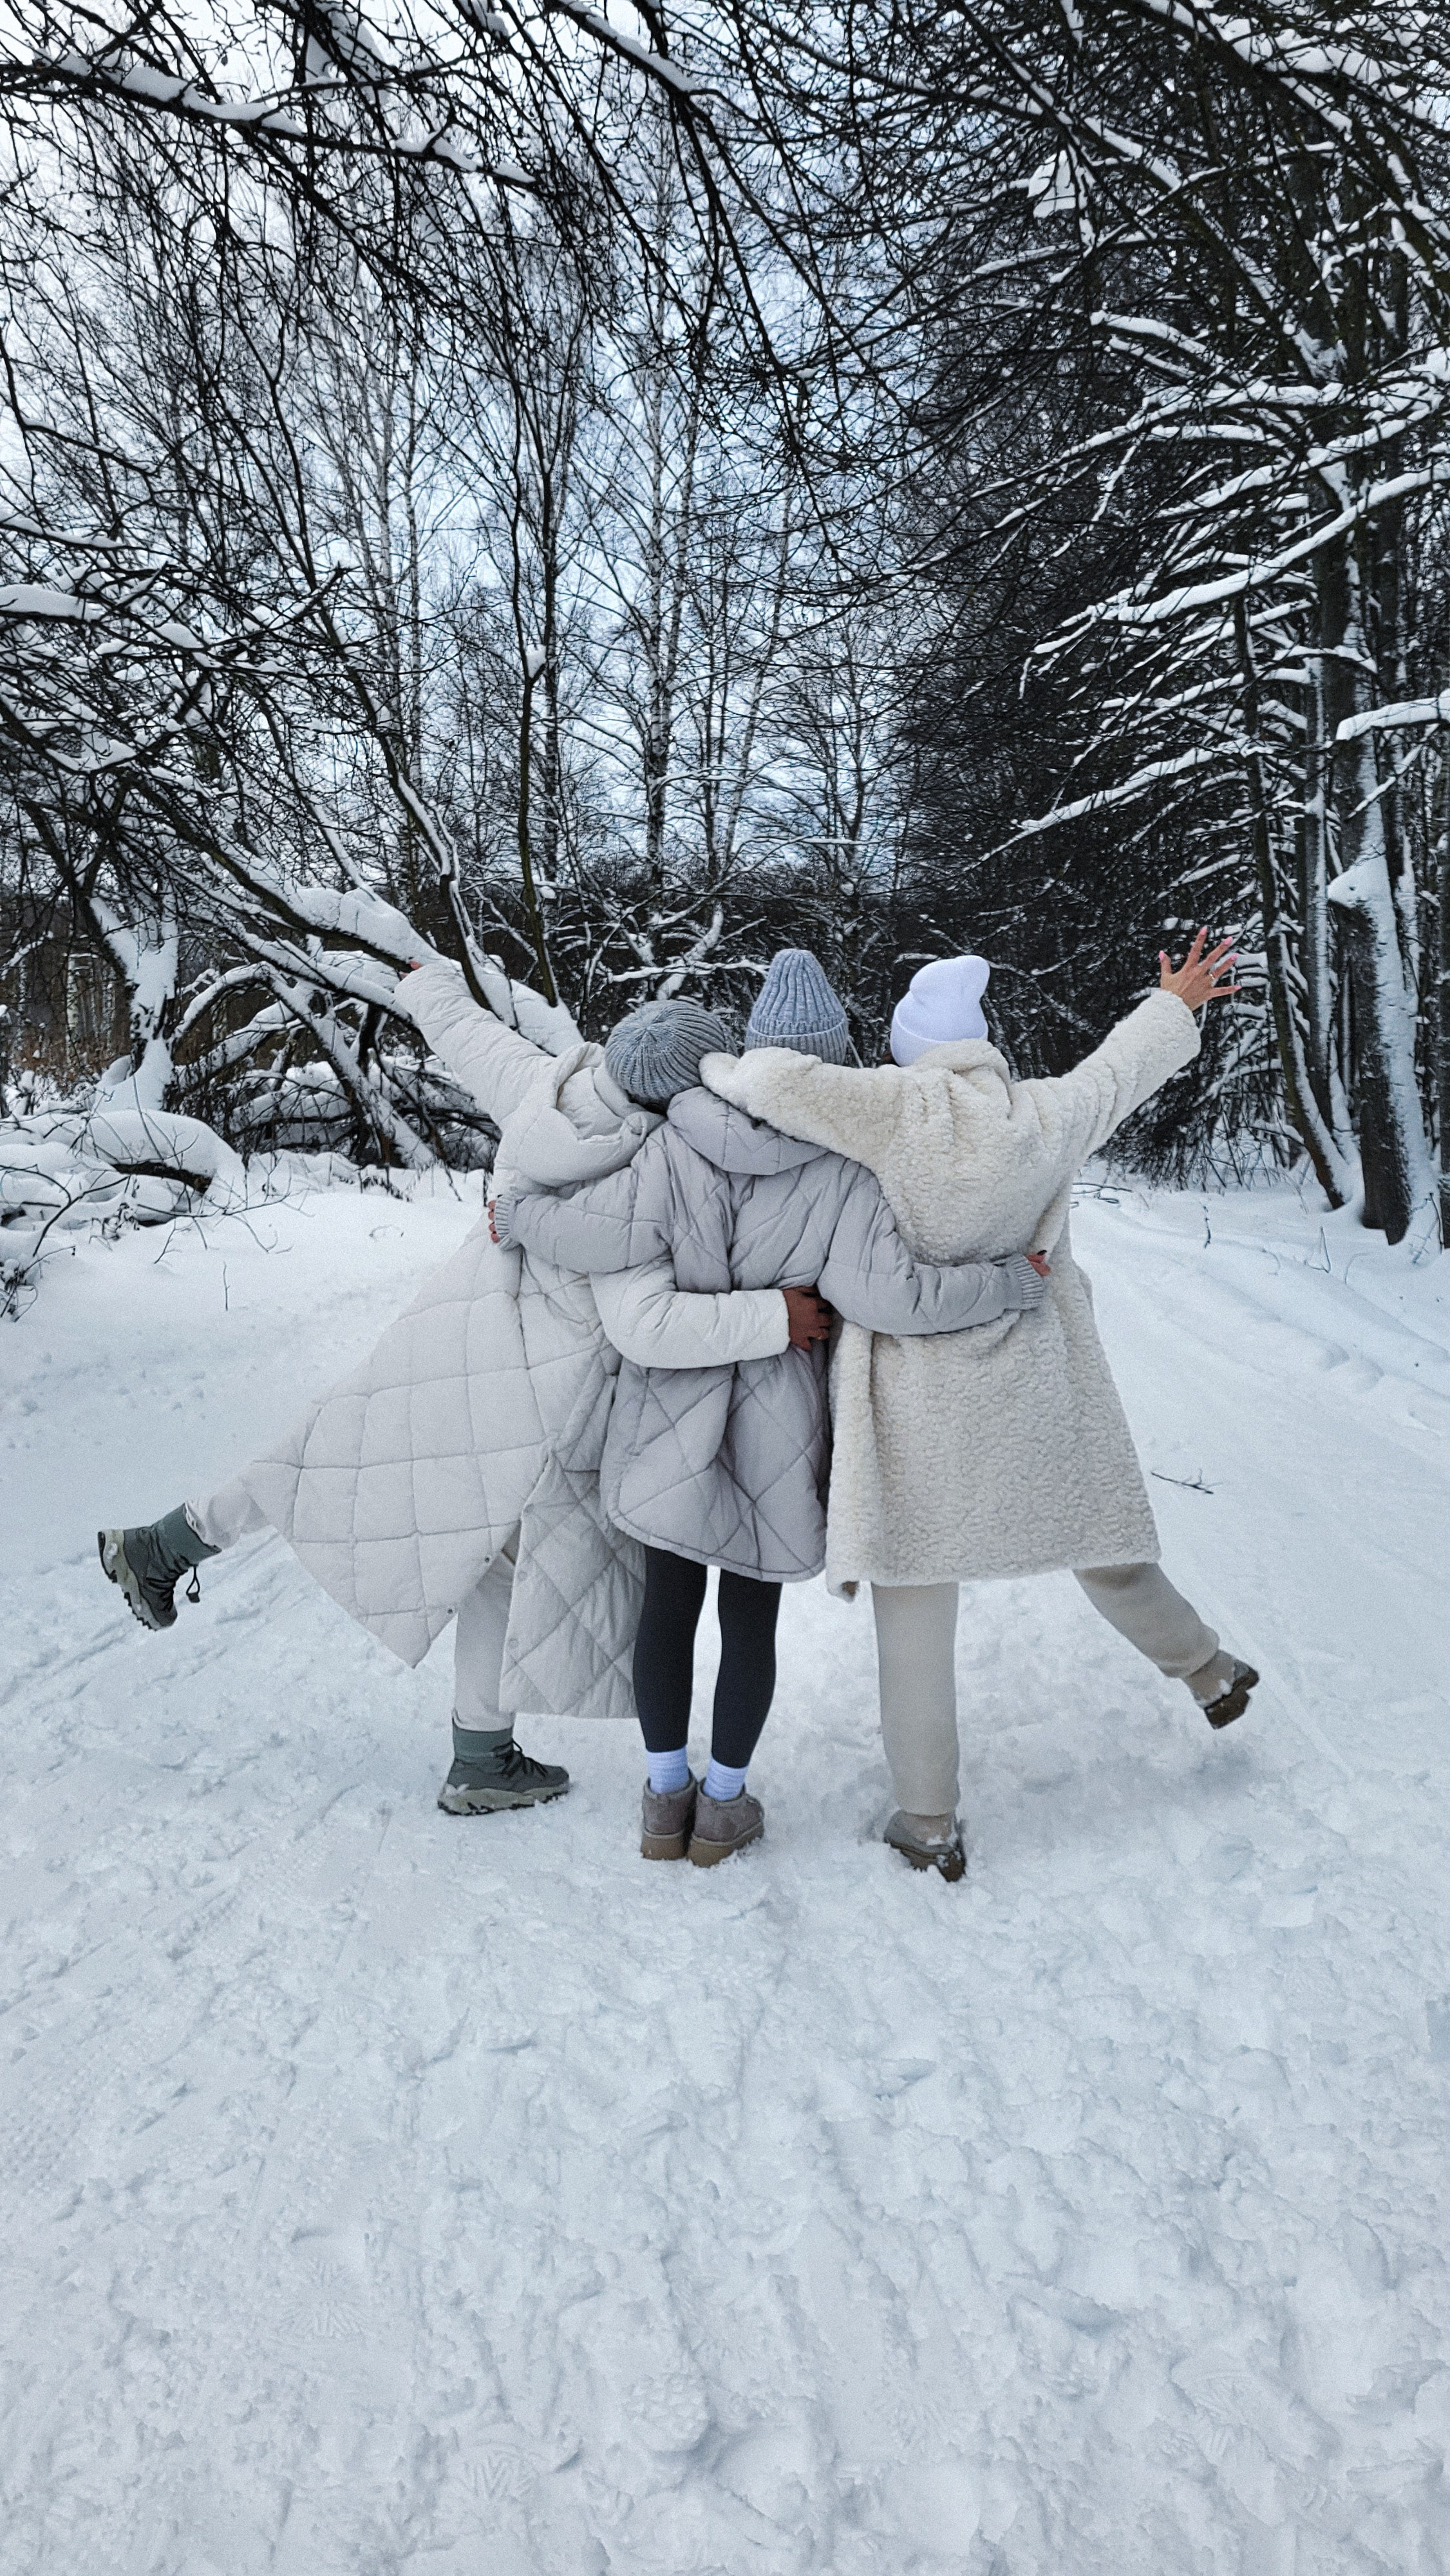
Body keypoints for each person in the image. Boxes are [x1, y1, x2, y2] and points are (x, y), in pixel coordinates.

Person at [98, 972, 827, 1819]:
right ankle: (477, 1754)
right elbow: (648, 1326)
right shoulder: (638, 1179)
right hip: (529, 1406)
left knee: (338, 1458)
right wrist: (773, 1317)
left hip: (451, 1341)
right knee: (463, 1541)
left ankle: (172, 1550)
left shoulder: (549, 1088)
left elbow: (465, 1030)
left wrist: (428, 977)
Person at [697, 931, 1254, 1880]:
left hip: (919, 1406)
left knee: (914, 1611)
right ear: (984, 1047)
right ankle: (1207, 1668)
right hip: (1035, 1383)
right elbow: (1122, 1070)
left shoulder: (888, 1109)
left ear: (910, 1044)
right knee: (1100, 1540)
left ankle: (929, 1824)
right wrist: (1179, 1002)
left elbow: (771, 1082)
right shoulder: (1044, 1115)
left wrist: (702, 1060)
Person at [489, 948, 1046, 1867]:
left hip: (668, 1419)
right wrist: (1002, 1286)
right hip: (777, 1433)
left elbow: (593, 1230)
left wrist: (516, 1217)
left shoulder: (673, 1141)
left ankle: (663, 1802)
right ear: (831, 1062)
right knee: (750, 1619)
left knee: (666, 1609)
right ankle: (723, 1808)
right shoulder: (846, 1169)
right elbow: (892, 1296)